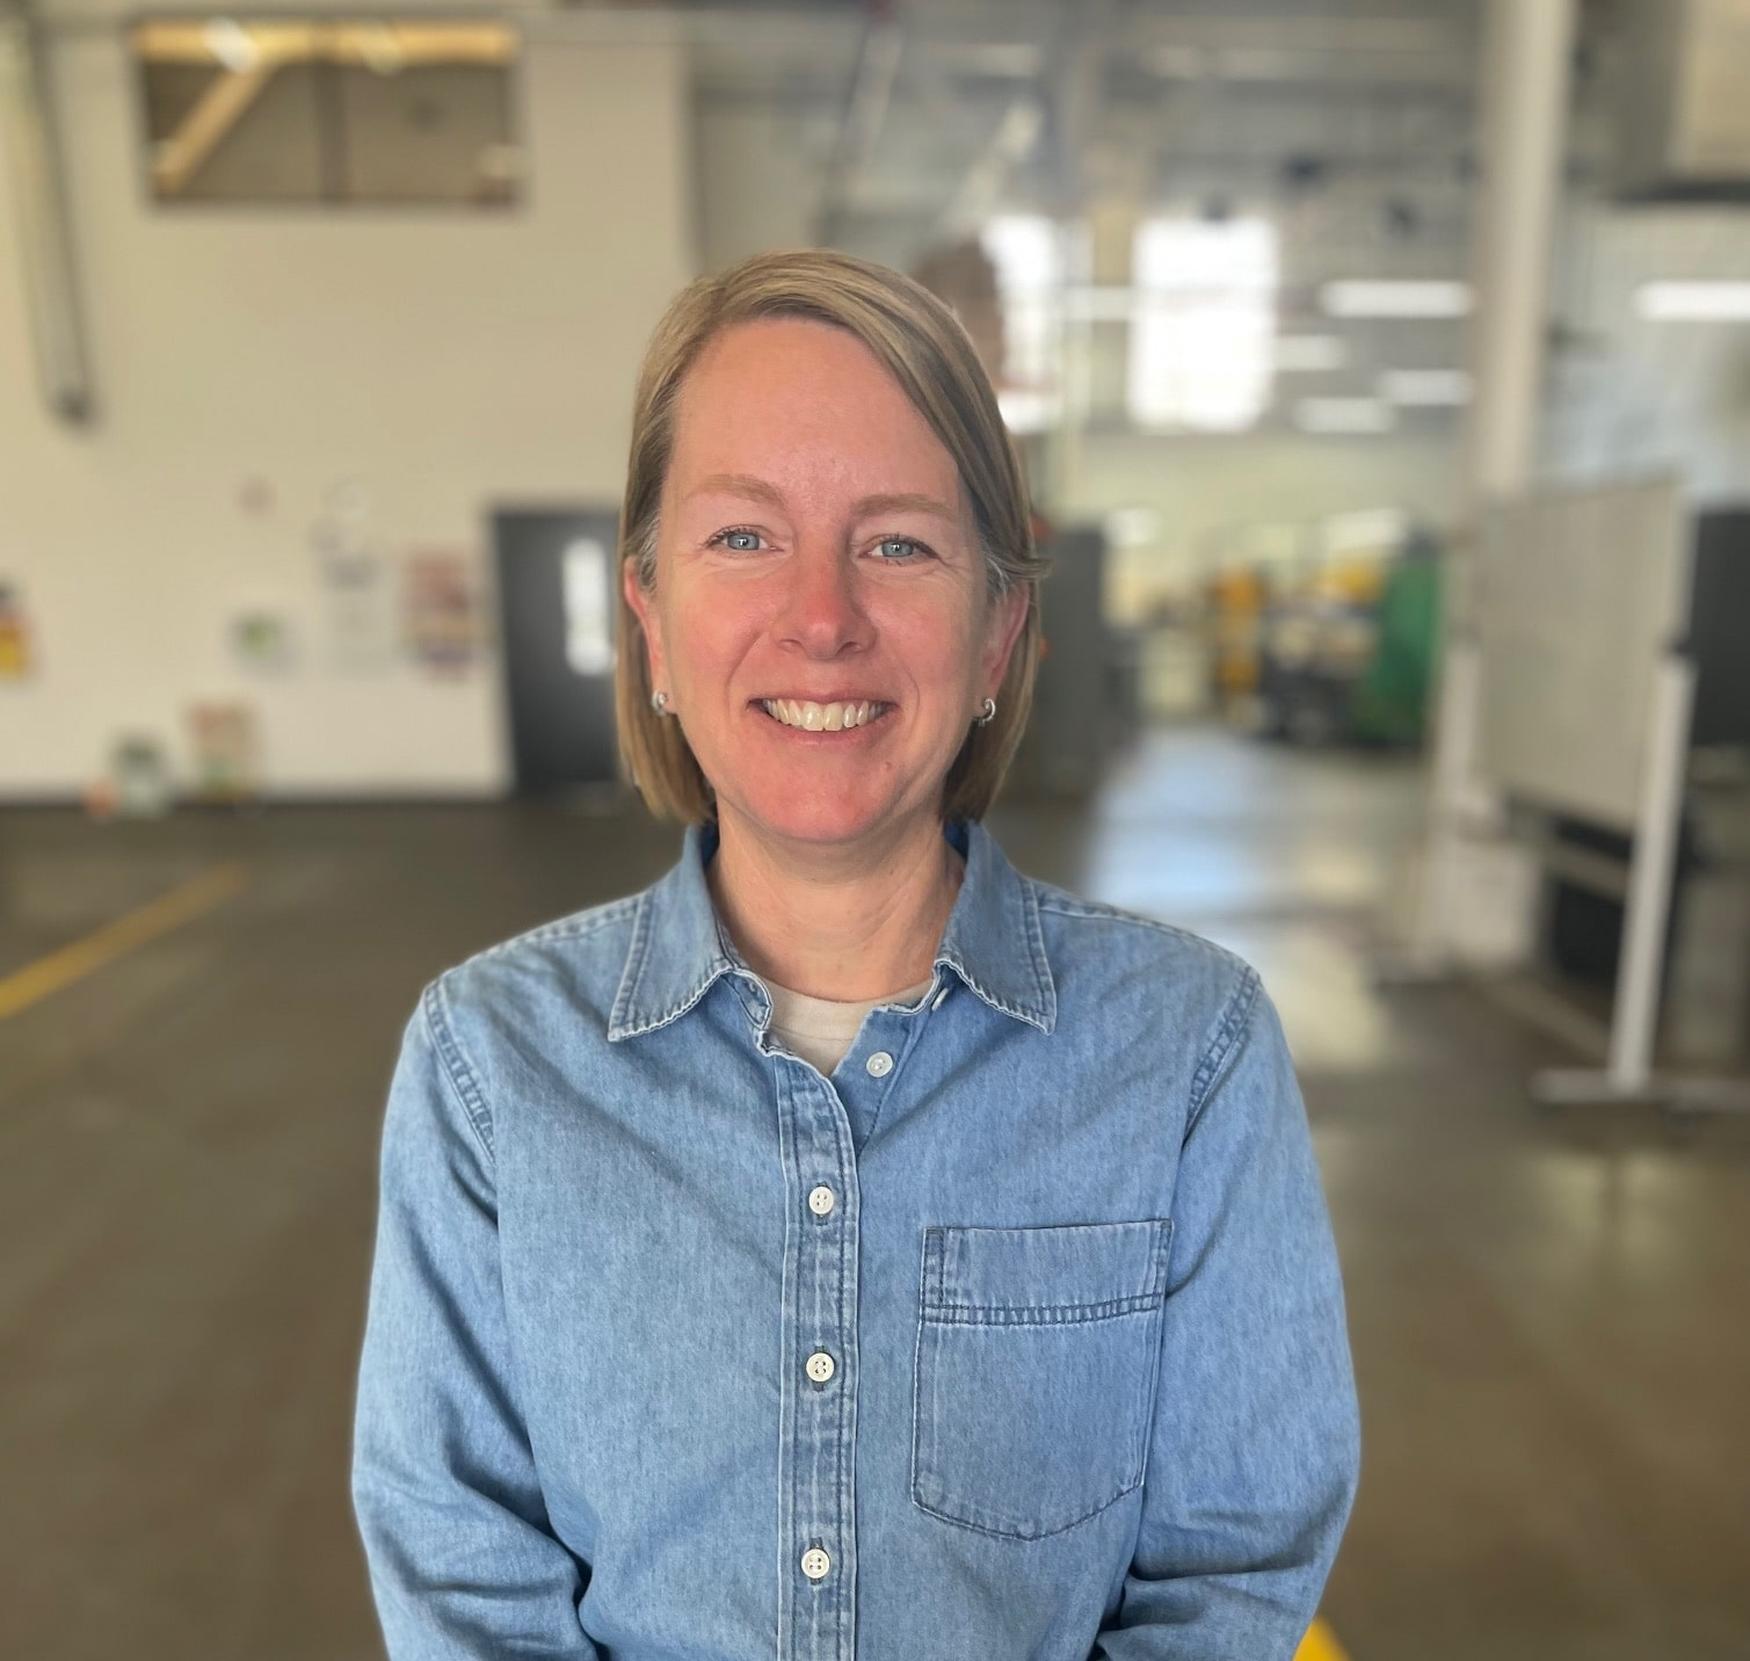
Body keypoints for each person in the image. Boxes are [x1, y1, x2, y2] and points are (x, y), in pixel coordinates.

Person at [350, 248, 1360, 1660]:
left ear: (1000, 629)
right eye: (744, 537)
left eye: (897, 541)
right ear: (648, 617)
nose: (820, 617)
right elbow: (460, 1563)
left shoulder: (1187, 1052)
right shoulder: (492, 1064)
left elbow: (1233, 1566)